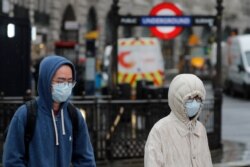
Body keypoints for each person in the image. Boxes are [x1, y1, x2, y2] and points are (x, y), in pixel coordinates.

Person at [3, 55, 96, 167]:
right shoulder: (25, 115)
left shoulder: (74, 116)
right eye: (60, 81)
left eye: (69, 82)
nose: (65, 86)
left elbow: (85, 160)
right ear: (46, 81)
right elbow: (12, 161)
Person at [144, 74, 213, 167]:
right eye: (190, 98)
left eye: (198, 99)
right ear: (177, 99)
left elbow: (206, 162)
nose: (195, 103)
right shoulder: (160, 131)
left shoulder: (200, 129)